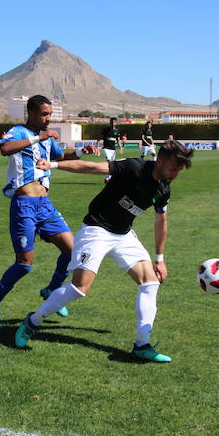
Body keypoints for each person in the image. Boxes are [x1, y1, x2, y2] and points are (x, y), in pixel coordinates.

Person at [14, 139, 194, 363]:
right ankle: (32, 322)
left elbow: (161, 222)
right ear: (159, 160)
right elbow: (92, 167)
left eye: (179, 169)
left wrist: (160, 259)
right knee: (79, 288)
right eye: (173, 168)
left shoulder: (163, 188)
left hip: (123, 234)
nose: (175, 173)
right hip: (96, 229)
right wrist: (53, 165)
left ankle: (141, 344)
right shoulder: (134, 168)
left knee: (150, 282)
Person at [0, 95, 93, 330]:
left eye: (50, 114)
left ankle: (52, 290)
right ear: (31, 113)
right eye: (44, 114)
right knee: (24, 264)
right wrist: (38, 138)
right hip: (24, 206)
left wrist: (83, 152)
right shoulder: (19, 132)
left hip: (45, 205)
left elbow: (61, 158)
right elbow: (4, 148)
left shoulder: (45, 138)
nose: (48, 118)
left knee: (72, 251)